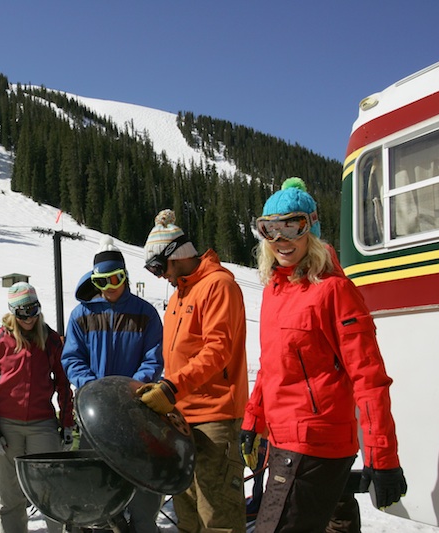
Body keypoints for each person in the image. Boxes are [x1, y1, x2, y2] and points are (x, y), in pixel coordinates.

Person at [240, 177, 407, 532]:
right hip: (284, 440)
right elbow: (271, 367)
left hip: (314, 443)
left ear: (311, 229)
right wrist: (254, 421)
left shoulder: (334, 291)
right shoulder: (274, 291)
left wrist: (382, 456)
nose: (281, 240)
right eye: (270, 229)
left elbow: (369, 377)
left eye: (293, 226)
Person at [136, 209, 249, 533]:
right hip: (181, 419)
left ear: (177, 255)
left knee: (218, 518)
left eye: (159, 267)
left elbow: (217, 351)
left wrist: (171, 387)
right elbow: (178, 358)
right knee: (188, 516)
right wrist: (165, 388)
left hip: (215, 418)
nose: (160, 276)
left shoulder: (218, 286)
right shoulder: (178, 296)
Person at [62, 236, 165, 533]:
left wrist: (132, 388)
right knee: (96, 486)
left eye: (115, 279)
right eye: (102, 281)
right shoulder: (82, 315)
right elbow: (72, 358)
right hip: (95, 415)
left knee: (140, 483)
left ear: (125, 276)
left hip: (135, 412)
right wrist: (92, 387)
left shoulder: (145, 313)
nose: (109, 287)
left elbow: (153, 358)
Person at [0, 281, 74, 533]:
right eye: (22, 313)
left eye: (33, 310)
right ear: (13, 312)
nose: (29, 318)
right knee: (10, 495)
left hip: (42, 425)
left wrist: (66, 423)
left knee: (50, 488)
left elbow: (64, 384)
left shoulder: (50, 340)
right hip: (8, 426)